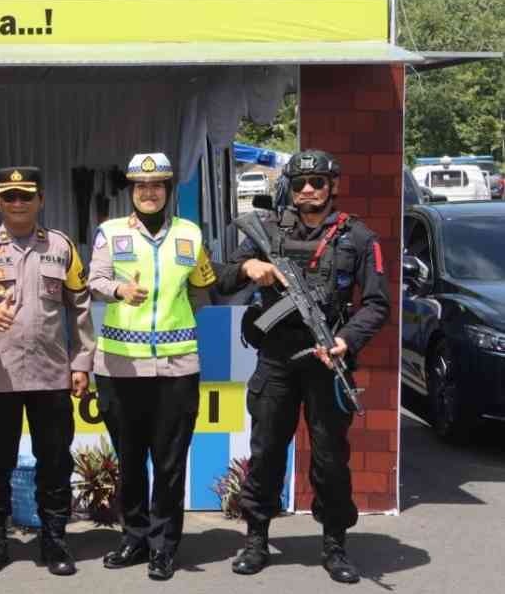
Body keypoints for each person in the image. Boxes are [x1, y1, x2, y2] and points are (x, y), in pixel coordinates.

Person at [218, 150, 390, 584]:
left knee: (331, 458)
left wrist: (345, 341)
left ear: (333, 186)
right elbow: (222, 276)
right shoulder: (267, 229)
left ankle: (334, 544)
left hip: (326, 361)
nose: (308, 190)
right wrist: (249, 267)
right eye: (299, 184)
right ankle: (256, 540)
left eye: (317, 182)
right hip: (276, 359)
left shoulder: (358, 238)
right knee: (265, 452)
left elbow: (376, 304)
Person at [78, 152, 217, 581]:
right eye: (141, 186)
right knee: (131, 459)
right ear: (132, 191)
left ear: (168, 189)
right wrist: (120, 290)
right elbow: (94, 282)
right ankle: (134, 538)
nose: (149, 192)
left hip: (177, 366)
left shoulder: (190, 233)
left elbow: (203, 287)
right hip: (120, 367)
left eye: (157, 185)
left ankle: (163, 546)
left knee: (170, 463)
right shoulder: (110, 232)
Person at [0, 167, 93, 577]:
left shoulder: (61, 247)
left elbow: (80, 306)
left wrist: (81, 362)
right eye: (10, 196)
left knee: (55, 461)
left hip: (50, 375)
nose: (18, 203)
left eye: (26, 196)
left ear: (40, 200)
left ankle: (54, 539)